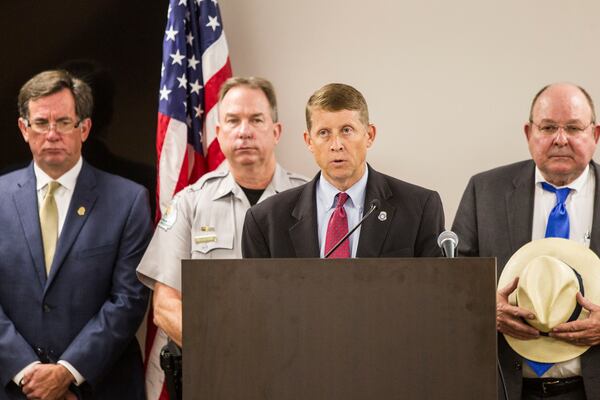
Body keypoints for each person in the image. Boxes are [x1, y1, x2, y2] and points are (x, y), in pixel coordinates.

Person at [0, 70, 152, 399]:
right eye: (41, 122)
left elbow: (129, 300)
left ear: (84, 128)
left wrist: (68, 372)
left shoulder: (129, 200)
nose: (52, 134)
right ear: (24, 129)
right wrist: (28, 373)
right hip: (15, 388)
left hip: (101, 387)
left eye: (64, 122)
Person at [452, 83, 600, 399]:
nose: (561, 139)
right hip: (504, 386)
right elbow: (452, 287)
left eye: (574, 127)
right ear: (528, 133)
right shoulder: (485, 191)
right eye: (548, 127)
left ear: (595, 135)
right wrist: (486, 310)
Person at [136, 76, 307, 347]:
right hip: (215, 369)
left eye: (256, 119)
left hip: (298, 362)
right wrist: (218, 351)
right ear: (218, 132)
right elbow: (165, 306)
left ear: (276, 132)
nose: (244, 131)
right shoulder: (189, 203)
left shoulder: (312, 203)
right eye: (233, 120)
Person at [242, 83, 444, 259]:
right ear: (309, 142)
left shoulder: (419, 208)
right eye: (324, 133)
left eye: (347, 130)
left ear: (369, 135)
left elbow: (432, 293)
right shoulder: (265, 219)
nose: (336, 145)